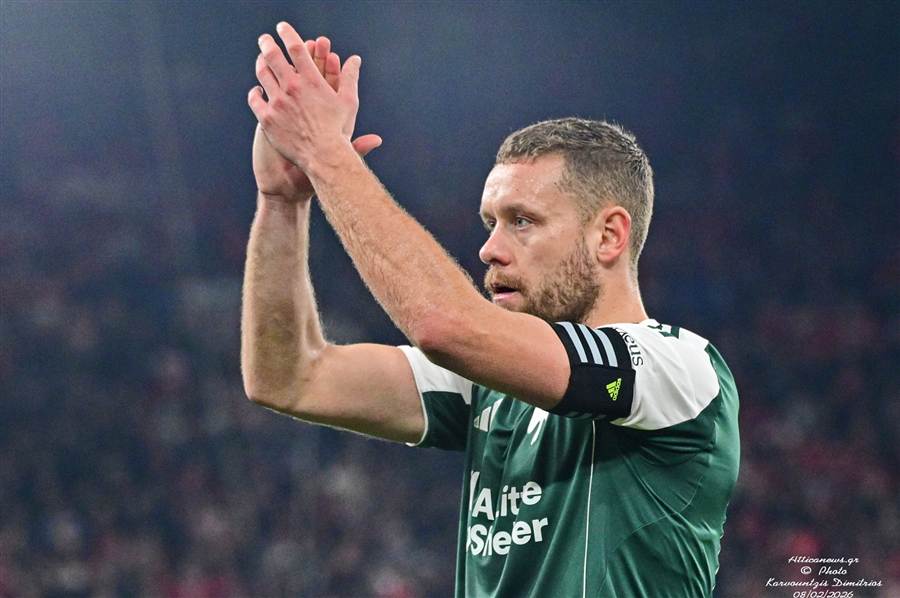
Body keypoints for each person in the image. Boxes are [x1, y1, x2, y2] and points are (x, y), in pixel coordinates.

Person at [242, 21, 740, 597]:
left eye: (522, 221)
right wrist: (282, 201)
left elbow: (444, 325)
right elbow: (290, 377)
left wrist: (328, 157)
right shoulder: (489, 389)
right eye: (490, 223)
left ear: (608, 236)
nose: (489, 249)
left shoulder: (678, 370)